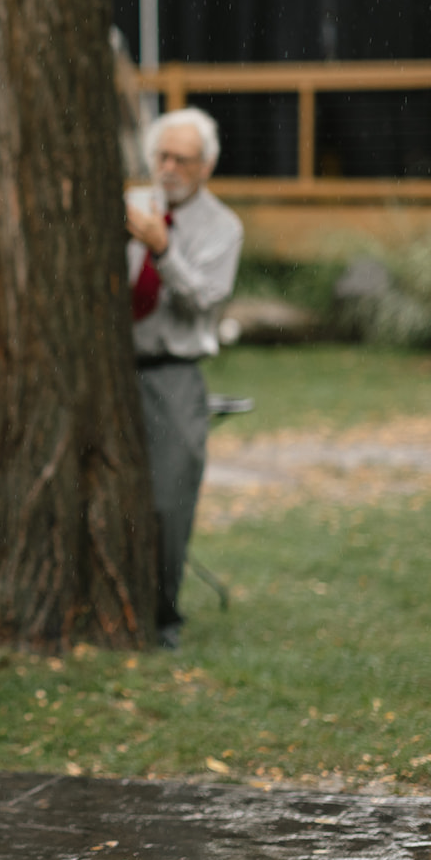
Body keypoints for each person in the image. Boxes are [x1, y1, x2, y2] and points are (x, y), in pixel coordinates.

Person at [123, 107, 243, 651]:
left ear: (206, 166)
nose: (168, 168)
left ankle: (162, 616)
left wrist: (162, 248)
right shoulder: (128, 207)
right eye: (161, 157)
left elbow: (203, 301)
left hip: (172, 376)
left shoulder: (222, 227)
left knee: (168, 504)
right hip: (113, 372)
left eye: (182, 159)